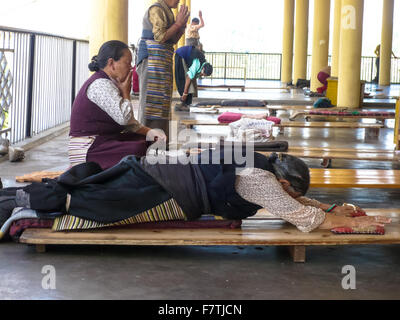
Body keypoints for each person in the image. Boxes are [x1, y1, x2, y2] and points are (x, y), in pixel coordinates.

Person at [0, 147, 391, 237]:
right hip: (161, 189)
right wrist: (350, 222)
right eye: (289, 190)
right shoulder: (261, 181)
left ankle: (8, 199)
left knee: (85, 190)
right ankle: (9, 207)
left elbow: (296, 203)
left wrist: (330, 205)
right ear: (284, 181)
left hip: (157, 171)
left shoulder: (255, 162)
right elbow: (303, 219)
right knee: (81, 204)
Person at [69, 40, 166, 170]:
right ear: (111, 63)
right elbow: (124, 118)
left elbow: (128, 123)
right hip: (87, 147)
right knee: (137, 148)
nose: (131, 67)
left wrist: (150, 132)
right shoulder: (101, 84)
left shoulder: (110, 82)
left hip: (102, 141)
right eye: (127, 63)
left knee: (146, 140)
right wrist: (126, 93)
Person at [136, 0, 190, 139]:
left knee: (163, 102)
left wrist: (182, 26)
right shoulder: (156, 9)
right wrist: (177, 24)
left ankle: (159, 143)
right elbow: (160, 37)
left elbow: (171, 40)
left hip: (162, 61)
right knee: (150, 102)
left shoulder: (168, 12)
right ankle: (145, 144)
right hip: (152, 59)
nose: (178, 1)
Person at [174, 45, 213, 111]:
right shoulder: (197, 64)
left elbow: (192, 78)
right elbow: (188, 78)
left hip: (186, 56)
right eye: (203, 73)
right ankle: (183, 102)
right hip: (180, 55)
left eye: (204, 75)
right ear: (203, 68)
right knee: (181, 79)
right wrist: (185, 94)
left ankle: (186, 104)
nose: (202, 75)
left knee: (189, 82)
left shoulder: (203, 65)